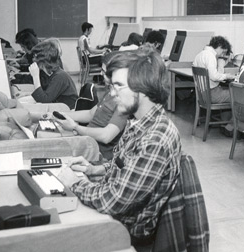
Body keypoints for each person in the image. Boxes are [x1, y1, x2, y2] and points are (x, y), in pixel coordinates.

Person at [55, 49, 182, 248]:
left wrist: (74, 184)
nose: (112, 94)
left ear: (143, 87)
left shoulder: (157, 138)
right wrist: (93, 169)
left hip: (126, 232)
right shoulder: (137, 121)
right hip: (115, 216)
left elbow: (112, 202)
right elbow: (125, 167)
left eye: (119, 86)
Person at [51, 62, 128, 160]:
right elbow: (90, 114)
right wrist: (62, 115)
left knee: (46, 148)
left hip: (97, 152)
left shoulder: (123, 101)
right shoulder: (110, 92)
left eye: (104, 71)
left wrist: (75, 127)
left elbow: (106, 136)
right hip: (86, 141)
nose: (100, 74)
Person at [193, 36, 236, 135]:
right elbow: (214, 76)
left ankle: (225, 125)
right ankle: (231, 127)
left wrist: (221, 64)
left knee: (227, 90)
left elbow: (213, 75)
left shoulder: (201, 54)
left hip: (203, 94)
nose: (223, 54)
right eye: (224, 52)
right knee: (240, 95)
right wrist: (227, 76)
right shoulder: (210, 56)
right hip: (212, 94)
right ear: (220, 46)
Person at [27, 40, 78, 109]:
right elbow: (44, 93)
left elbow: (44, 100)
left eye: (35, 56)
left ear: (42, 59)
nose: (33, 59)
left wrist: (35, 76)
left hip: (67, 110)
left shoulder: (60, 76)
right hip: (58, 106)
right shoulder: (50, 73)